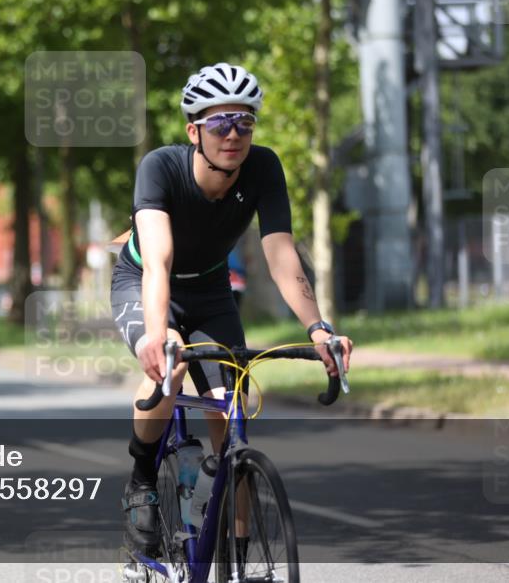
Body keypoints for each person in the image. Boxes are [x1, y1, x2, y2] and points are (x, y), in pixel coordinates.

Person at [111, 63, 353, 554]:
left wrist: (318, 329)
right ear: (193, 130)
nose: (234, 135)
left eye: (245, 122)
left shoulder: (264, 167)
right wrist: (158, 337)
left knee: (233, 418)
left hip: (211, 291)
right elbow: (157, 261)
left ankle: (237, 557)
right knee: (171, 367)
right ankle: (140, 480)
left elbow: (282, 253)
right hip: (145, 282)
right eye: (221, 123)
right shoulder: (160, 167)